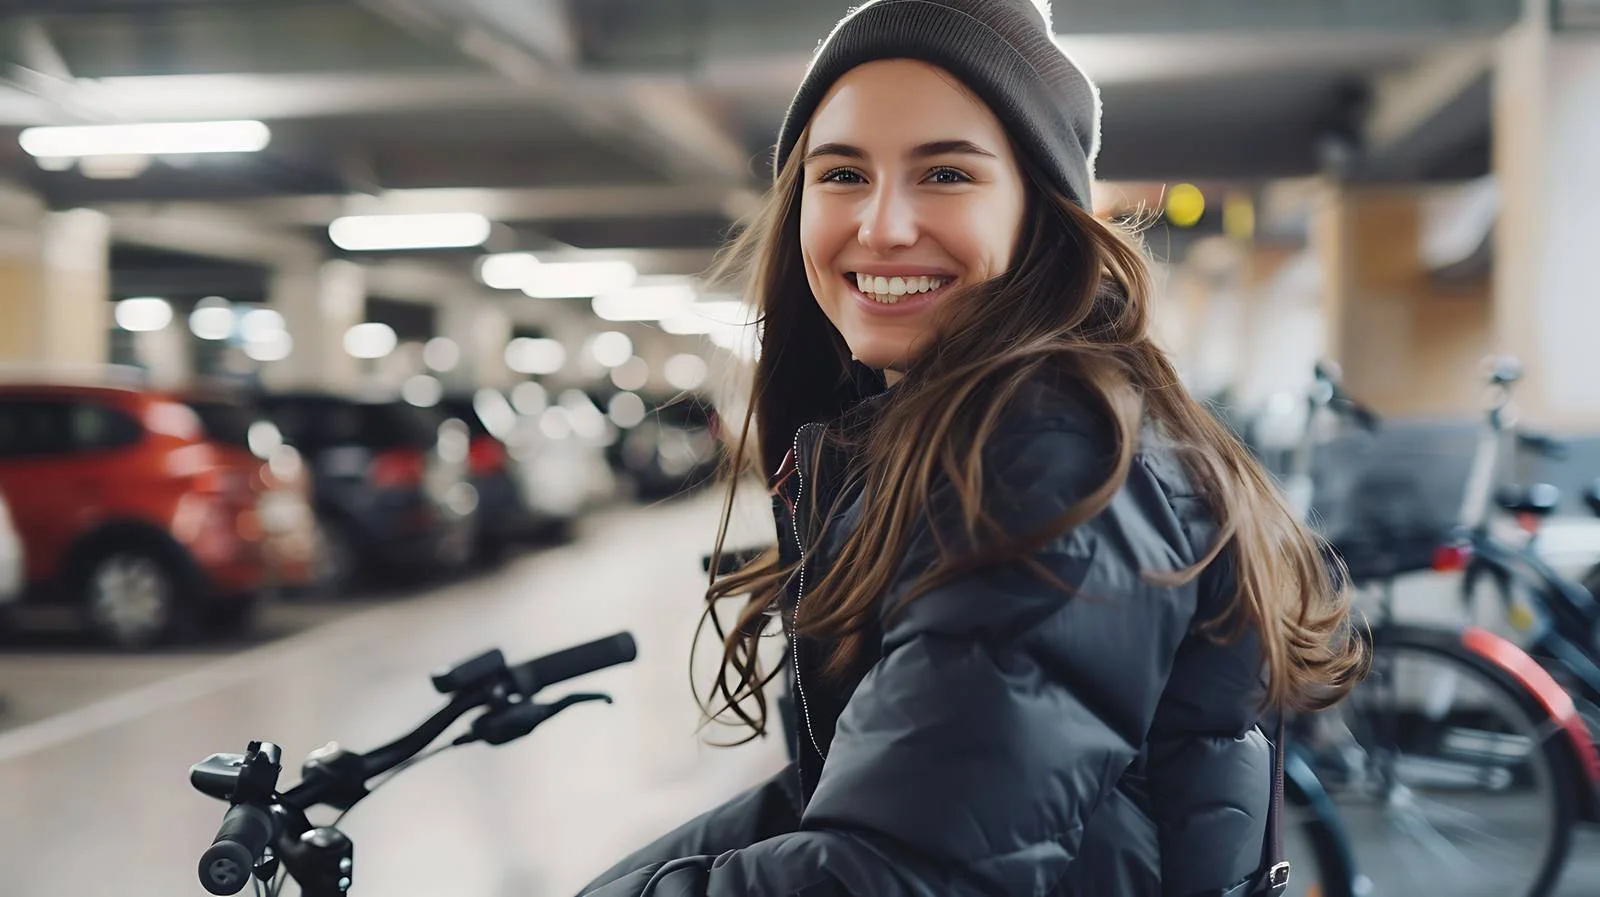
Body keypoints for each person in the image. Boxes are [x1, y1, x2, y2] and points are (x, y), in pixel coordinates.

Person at [580, 1, 1366, 895]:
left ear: (1040, 211)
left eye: (946, 173)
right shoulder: (960, 430)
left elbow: (895, 874)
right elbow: (862, 795)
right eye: (841, 174)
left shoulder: (1045, 461)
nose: (880, 225)